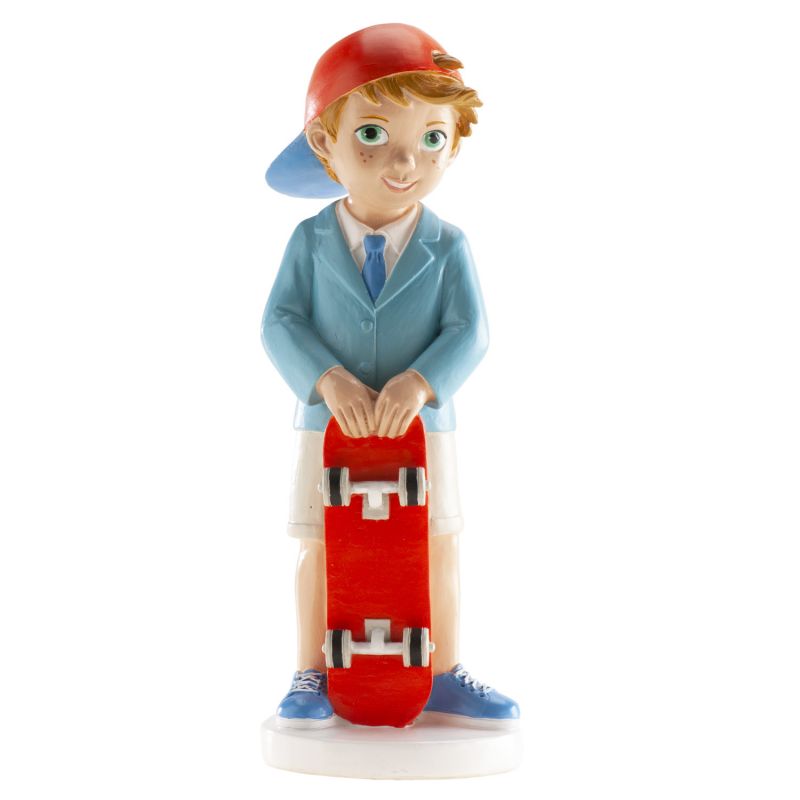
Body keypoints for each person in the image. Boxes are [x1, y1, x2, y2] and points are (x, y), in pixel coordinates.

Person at [262, 23, 520, 729]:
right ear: (325, 145)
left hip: (423, 429)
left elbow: (470, 331)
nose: (406, 162)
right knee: (321, 544)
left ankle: (441, 670)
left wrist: (420, 383)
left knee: (438, 543)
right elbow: (279, 322)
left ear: (454, 146)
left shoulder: (449, 245)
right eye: (373, 135)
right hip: (327, 427)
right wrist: (328, 380)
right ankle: (312, 670)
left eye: (432, 138)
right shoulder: (310, 240)